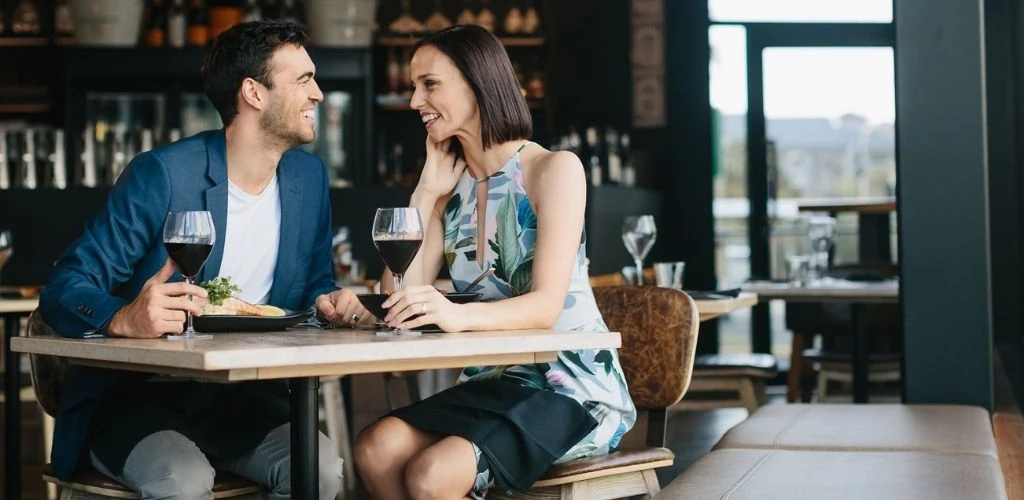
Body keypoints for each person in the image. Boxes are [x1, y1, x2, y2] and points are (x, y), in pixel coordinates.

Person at [38, 20, 368, 500]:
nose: (318, 93)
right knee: (185, 479)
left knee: (319, 472)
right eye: (303, 79)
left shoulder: (308, 178)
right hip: (137, 398)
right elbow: (66, 285)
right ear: (253, 92)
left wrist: (329, 301)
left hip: (239, 400)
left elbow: (313, 283)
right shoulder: (166, 174)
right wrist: (122, 318)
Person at [353, 24, 637, 499]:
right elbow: (396, 299)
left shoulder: (554, 169)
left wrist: (453, 313)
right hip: (493, 382)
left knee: (431, 474)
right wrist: (426, 192)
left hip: (571, 387)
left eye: (429, 84)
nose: (413, 101)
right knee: (375, 448)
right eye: (413, 86)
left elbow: (545, 307)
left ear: (476, 81)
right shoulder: (450, 190)